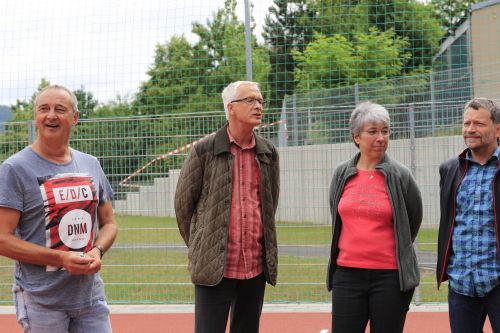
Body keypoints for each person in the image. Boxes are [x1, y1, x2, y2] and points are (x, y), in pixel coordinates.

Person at [0, 85, 118, 333]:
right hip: (42, 299)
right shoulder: (15, 168)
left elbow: (109, 223)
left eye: (60, 109)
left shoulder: (90, 164)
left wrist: (97, 250)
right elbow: (3, 239)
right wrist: (61, 258)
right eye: (44, 109)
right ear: (36, 116)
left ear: (74, 118)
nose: (51, 115)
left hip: (90, 296)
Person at [174, 81, 280, 333]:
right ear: (231, 108)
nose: (259, 106)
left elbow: (269, 205)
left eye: (260, 101)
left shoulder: (268, 152)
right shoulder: (203, 150)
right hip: (214, 269)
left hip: (254, 267)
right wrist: (203, 246)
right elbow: (183, 208)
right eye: (251, 100)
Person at [326, 101, 423, 333]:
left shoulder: (401, 175)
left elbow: (413, 219)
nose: (381, 137)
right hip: (347, 275)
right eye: (372, 132)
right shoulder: (342, 173)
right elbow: (336, 214)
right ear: (356, 136)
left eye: (385, 131)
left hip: (390, 277)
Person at [437, 97, 500, 333]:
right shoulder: (450, 168)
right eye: (466, 123)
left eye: (479, 124)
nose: (470, 129)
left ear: (497, 129)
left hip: (497, 280)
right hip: (462, 281)